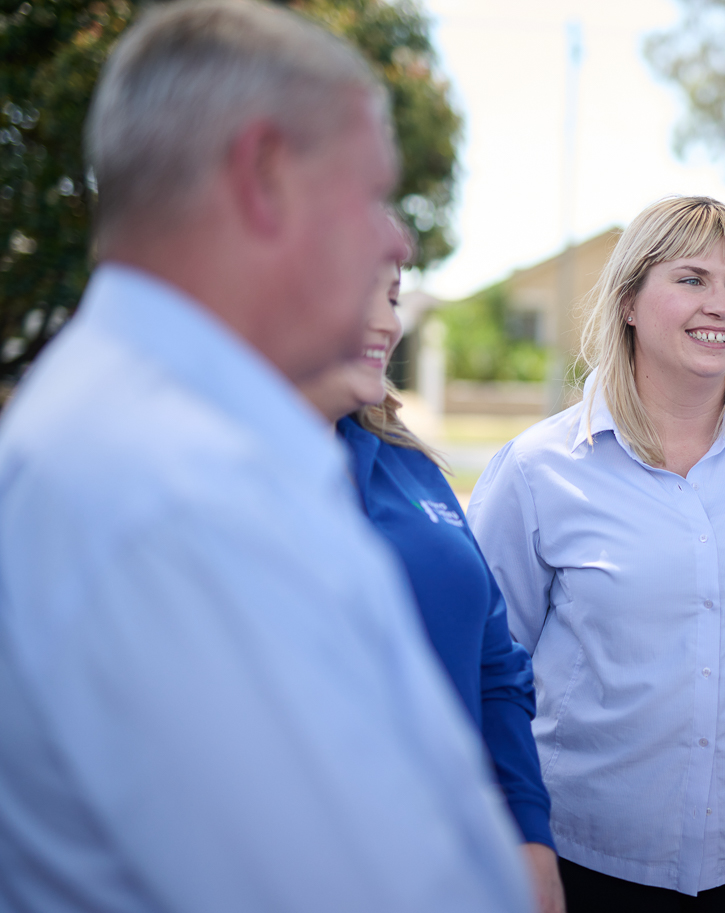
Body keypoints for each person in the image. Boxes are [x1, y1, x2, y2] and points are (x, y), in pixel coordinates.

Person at [0, 3, 530, 911]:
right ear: (267, 176)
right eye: (369, 195)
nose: (394, 241)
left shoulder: (154, 432)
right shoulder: (173, 492)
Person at [466, 196, 725, 912]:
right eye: (693, 279)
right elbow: (494, 660)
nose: (723, 304)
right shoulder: (538, 468)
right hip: (596, 856)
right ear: (629, 303)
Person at [297, 243, 565, 913]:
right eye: (363, 288)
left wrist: (531, 835)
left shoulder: (407, 462)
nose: (387, 322)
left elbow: (495, 667)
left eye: (393, 297)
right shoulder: (210, 479)